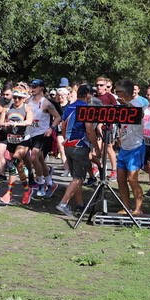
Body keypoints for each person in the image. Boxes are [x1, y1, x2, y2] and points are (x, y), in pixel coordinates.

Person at [56, 83, 96, 216]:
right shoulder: (86, 108)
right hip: (80, 144)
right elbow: (89, 130)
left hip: (68, 144)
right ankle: (63, 203)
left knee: (75, 177)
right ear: (88, 95)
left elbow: (62, 127)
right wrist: (96, 146)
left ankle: (80, 204)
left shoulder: (68, 107)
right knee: (79, 177)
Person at [24, 79, 63, 198]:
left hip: (42, 134)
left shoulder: (46, 102)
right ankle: (50, 183)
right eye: (31, 86)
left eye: (35, 87)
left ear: (41, 88)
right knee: (40, 160)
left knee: (34, 157)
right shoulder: (28, 101)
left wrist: (51, 128)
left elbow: (58, 117)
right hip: (30, 133)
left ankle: (40, 183)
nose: (32, 88)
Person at [114, 79, 147, 216]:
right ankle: (126, 207)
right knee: (120, 179)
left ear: (125, 92)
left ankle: (138, 209)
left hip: (136, 146)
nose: (116, 94)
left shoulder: (136, 103)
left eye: (118, 92)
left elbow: (141, 114)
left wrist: (126, 104)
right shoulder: (121, 106)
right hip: (124, 147)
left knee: (132, 179)